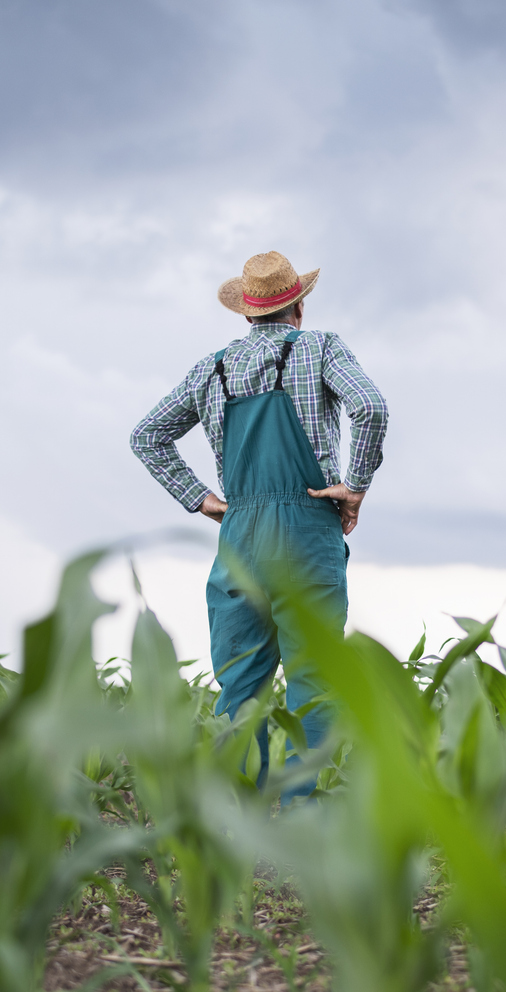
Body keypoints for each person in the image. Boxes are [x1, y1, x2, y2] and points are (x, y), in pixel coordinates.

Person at [129, 250, 389, 795]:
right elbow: (370, 407)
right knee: (314, 681)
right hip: (307, 528)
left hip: (240, 536)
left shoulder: (213, 368)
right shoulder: (320, 347)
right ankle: (303, 821)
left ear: (246, 314)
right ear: (297, 307)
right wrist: (356, 487)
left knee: (239, 685)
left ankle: (236, 823)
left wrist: (204, 500)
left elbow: (147, 435)